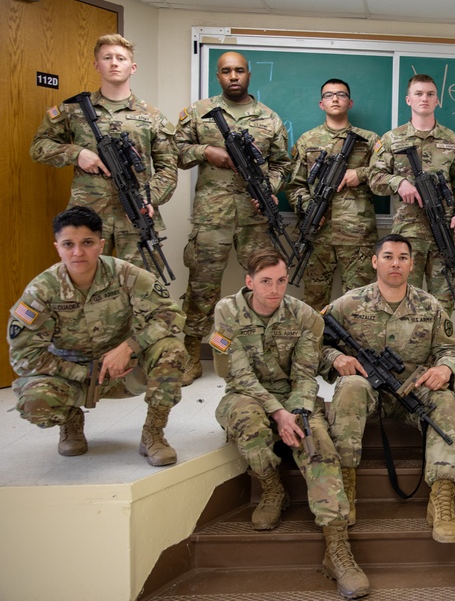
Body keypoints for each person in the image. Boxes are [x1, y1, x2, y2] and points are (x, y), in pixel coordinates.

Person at [211, 247, 368, 598]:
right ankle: (272, 490)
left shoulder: (305, 316)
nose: (275, 289)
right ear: (250, 281)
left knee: (318, 445)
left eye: (281, 281)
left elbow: (305, 375)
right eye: (266, 281)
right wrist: (276, 412)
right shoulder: (227, 311)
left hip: (294, 398)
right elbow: (237, 375)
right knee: (248, 419)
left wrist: (296, 413)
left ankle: (337, 549)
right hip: (246, 395)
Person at [8, 206, 185, 466]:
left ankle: (153, 433)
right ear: (57, 247)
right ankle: (71, 420)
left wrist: (129, 347)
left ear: (101, 245)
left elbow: (171, 315)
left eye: (87, 243)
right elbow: (23, 356)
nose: (78, 252)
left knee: (172, 350)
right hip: (71, 377)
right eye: (69, 244)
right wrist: (83, 373)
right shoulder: (42, 291)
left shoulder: (125, 274)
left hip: (123, 371)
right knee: (34, 403)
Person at [322, 234, 455, 543]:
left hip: (413, 392)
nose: (395, 263)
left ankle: (442, 498)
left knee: (445, 400)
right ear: (375, 262)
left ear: (412, 264)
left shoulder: (430, 305)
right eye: (388, 257)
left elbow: (449, 349)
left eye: (402, 257)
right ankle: (344, 489)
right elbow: (315, 341)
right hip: (368, 394)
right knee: (350, 385)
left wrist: (444, 368)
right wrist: (336, 358)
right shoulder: (349, 303)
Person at [175, 51, 291, 386]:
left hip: (255, 218)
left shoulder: (269, 118)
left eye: (239, 70)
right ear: (218, 76)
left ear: (249, 74)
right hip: (212, 217)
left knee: (266, 286)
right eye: (226, 71)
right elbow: (175, 151)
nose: (233, 76)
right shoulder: (198, 113)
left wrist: (268, 188)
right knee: (201, 288)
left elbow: (283, 164)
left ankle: (264, 356)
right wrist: (205, 151)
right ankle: (191, 357)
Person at [30, 34, 177, 267]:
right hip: (88, 217)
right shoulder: (73, 110)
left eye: (121, 58)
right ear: (97, 65)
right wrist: (76, 154)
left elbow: (168, 169)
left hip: (136, 216)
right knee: (85, 280)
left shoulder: (152, 116)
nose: (114, 63)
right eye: (107, 58)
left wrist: (149, 199)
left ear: (133, 67)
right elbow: (39, 147)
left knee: (141, 284)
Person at [370, 74, 455, 315]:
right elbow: (374, 179)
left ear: (437, 100)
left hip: (444, 235)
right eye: (418, 94)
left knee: (442, 306)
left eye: (430, 94)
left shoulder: (453, 142)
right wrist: (398, 183)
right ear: (408, 100)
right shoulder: (391, 139)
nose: (424, 98)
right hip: (407, 237)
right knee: (404, 302)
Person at [286, 78, 386, 309]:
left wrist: (359, 173)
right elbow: (294, 185)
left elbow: (385, 177)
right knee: (314, 303)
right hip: (317, 235)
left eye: (341, 94)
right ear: (321, 103)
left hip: (357, 235)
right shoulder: (307, 140)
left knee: (359, 305)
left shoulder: (371, 140)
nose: (335, 99)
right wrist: (309, 208)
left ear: (350, 103)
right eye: (329, 95)